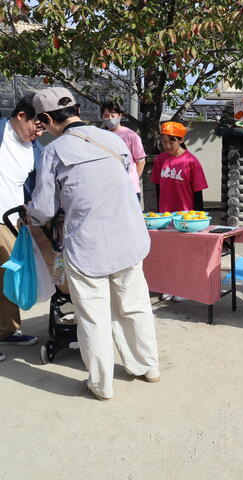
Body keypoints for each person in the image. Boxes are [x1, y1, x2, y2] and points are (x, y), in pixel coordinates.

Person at [27, 87, 159, 400]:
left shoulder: (54, 151)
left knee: (94, 317)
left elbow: (44, 209)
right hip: (129, 238)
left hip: (88, 247)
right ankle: (147, 366)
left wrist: (29, 213)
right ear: (75, 108)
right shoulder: (113, 139)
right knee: (135, 305)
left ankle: (102, 385)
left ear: (46, 119)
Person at [0, 96, 45, 361]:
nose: (38, 132)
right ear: (20, 116)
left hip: (12, 222)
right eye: (35, 126)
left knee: (9, 277)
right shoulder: (2, 133)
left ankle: (8, 330)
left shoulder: (35, 149)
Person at [151, 121, 208, 302]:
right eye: (164, 141)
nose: (167, 146)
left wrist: (199, 219)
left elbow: (198, 192)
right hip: (166, 215)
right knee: (167, 254)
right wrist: (160, 212)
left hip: (186, 216)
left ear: (181, 140)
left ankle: (183, 288)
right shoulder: (160, 160)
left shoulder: (191, 162)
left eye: (171, 142)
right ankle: (168, 286)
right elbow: (158, 188)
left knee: (184, 254)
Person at [100, 101, 147, 203]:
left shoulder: (131, 135)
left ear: (120, 115)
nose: (110, 119)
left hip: (129, 189)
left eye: (113, 115)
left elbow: (141, 161)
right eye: (106, 116)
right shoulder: (100, 136)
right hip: (107, 189)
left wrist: (132, 179)